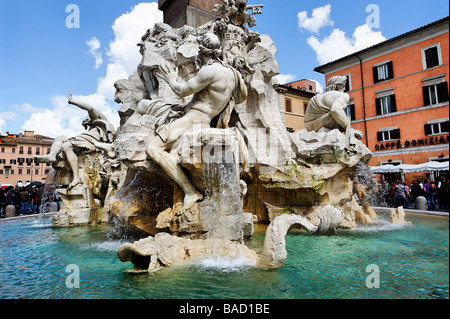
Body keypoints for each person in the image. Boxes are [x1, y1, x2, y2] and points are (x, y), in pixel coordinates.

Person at [144, 33, 248, 210]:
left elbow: (181, 91)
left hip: (192, 120)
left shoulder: (209, 71)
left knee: (152, 148)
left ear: (203, 50)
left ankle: (190, 191)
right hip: (205, 121)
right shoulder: (232, 74)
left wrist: (171, 79)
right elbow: (240, 97)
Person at [35, 92, 116, 188]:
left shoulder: (98, 119)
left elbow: (90, 108)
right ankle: (52, 155)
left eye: (87, 119)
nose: (85, 121)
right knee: (60, 137)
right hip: (84, 141)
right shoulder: (91, 128)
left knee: (66, 145)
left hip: (92, 142)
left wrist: (72, 101)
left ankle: (76, 178)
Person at [304, 76, 363, 154]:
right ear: (339, 86)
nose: (344, 88)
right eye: (343, 86)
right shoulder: (343, 95)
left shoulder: (314, 98)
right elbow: (335, 110)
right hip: (327, 126)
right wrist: (347, 128)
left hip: (310, 128)